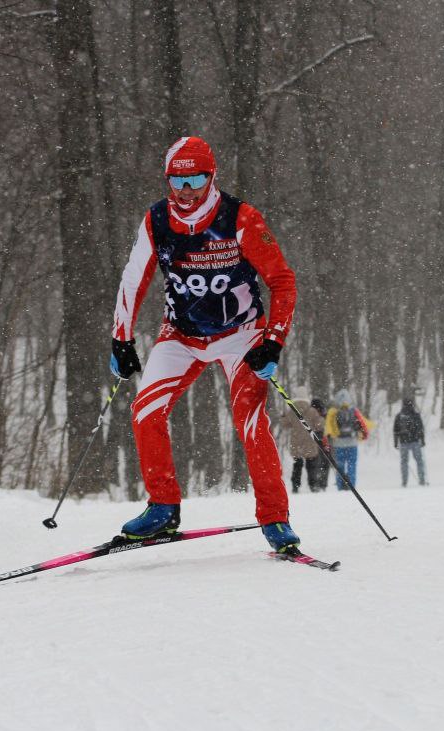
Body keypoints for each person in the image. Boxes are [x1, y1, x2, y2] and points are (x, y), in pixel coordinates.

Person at [109, 136, 301, 553]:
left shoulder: (240, 218)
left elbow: (283, 281)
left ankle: (275, 519)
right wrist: (121, 338)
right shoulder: (157, 221)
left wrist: (273, 341)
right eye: (177, 181)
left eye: (195, 179)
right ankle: (163, 507)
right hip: (181, 335)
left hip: (241, 333)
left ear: (211, 177)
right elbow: (133, 278)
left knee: (249, 421)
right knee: (145, 411)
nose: (186, 190)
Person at [326, 391, 372, 490]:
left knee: (340, 466)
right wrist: (364, 434)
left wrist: (329, 441)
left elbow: (329, 428)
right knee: (352, 466)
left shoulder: (334, 412)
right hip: (352, 443)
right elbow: (362, 424)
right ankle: (352, 486)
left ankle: (339, 486)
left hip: (339, 444)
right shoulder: (354, 411)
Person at [281, 396, 327, 493]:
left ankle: (295, 486)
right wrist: (322, 417)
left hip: (296, 442)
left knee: (297, 465)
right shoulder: (312, 411)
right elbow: (319, 426)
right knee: (311, 466)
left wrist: (284, 416)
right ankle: (313, 485)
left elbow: (284, 424)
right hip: (309, 442)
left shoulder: (291, 411)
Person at [393, 397, 427, 487]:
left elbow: (395, 430)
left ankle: (404, 482)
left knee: (404, 462)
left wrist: (396, 443)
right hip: (415, 441)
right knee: (419, 461)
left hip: (403, 441)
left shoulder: (399, 416)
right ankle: (422, 480)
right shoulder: (416, 415)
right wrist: (422, 440)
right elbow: (421, 429)